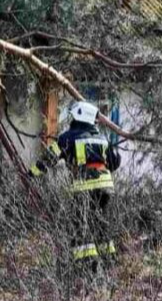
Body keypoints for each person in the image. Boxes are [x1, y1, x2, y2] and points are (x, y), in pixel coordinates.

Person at [28, 100, 121, 266]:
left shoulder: (68, 138)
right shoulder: (103, 138)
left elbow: (49, 159)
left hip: (84, 188)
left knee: (80, 226)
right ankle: (108, 262)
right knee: (101, 224)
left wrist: (31, 173)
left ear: (79, 117)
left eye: (72, 117)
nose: (71, 120)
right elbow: (114, 163)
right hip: (106, 188)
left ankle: (87, 264)